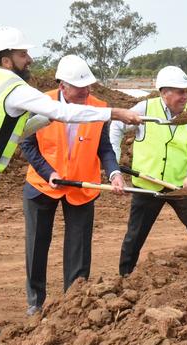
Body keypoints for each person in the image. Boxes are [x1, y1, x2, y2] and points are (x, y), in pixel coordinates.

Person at [0, 27, 141, 345]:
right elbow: (61, 112)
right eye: (23, 54)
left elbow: (24, 124)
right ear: (7, 59)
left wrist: (48, 122)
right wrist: (115, 113)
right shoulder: (14, 86)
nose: (30, 59)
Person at [20, 55, 123, 317]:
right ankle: (35, 301)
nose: (86, 92)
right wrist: (48, 172)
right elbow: (27, 144)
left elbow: (104, 147)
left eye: (89, 86)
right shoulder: (40, 104)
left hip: (82, 185)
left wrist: (113, 172)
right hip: (43, 184)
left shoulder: (98, 107)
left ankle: (74, 301)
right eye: (80, 87)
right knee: (37, 245)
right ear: (62, 85)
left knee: (79, 247)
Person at [110, 66, 187, 276]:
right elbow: (116, 127)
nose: (185, 96)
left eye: (186, 91)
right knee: (135, 236)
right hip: (147, 185)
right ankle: (124, 277)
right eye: (180, 91)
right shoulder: (145, 109)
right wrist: (114, 161)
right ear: (164, 93)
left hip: (178, 186)